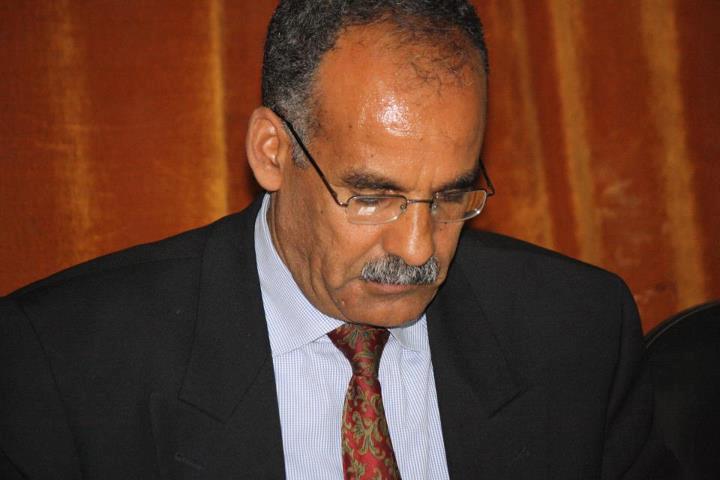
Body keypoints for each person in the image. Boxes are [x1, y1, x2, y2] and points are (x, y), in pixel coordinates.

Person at [0, 1, 676, 479]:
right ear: (272, 151)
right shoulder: (61, 365)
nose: (418, 250)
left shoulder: (578, 332)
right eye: (373, 196)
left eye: (449, 197)